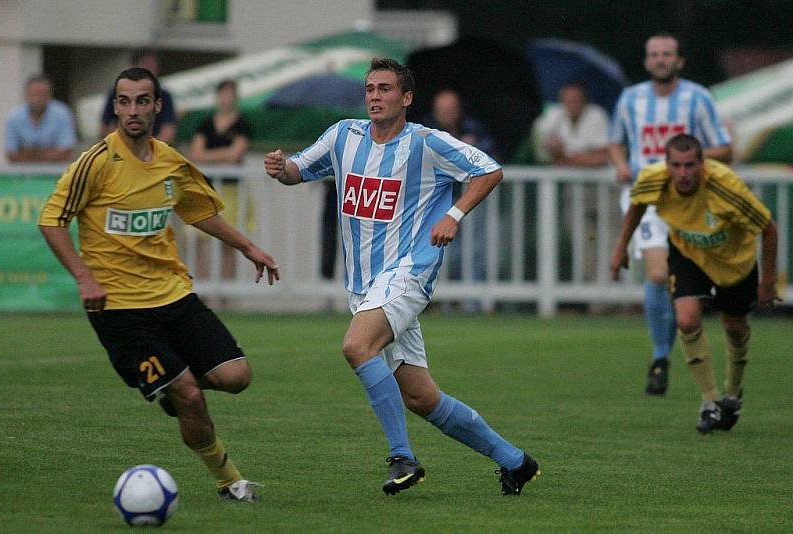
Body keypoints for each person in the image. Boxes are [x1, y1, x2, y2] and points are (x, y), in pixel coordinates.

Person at [264, 58, 539, 496]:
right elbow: (300, 170)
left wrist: (453, 213)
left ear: (406, 98)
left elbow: (489, 170)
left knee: (357, 346)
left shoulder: (427, 143)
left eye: (385, 89)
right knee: (421, 398)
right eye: (370, 88)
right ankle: (515, 462)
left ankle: (401, 457)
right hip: (364, 284)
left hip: (409, 270)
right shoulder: (343, 136)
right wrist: (282, 169)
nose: (374, 96)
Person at [38, 67, 279, 502]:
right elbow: (51, 220)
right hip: (120, 309)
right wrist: (83, 276)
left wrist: (249, 248)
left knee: (237, 376)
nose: (133, 110)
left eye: (142, 101)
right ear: (115, 107)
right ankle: (230, 481)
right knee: (189, 394)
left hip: (173, 294)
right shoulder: (95, 163)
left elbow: (198, 211)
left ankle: (169, 385)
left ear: (156, 106)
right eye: (124, 101)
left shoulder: (170, 160)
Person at [611, 134, 779, 433]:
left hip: (733, 260)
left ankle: (733, 394)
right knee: (687, 321)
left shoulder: (726, 187)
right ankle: (711, 402)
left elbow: (769, 228)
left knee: (734, 327)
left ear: (703, 164)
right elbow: (637, 206)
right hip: (688, 252)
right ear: (667, 164)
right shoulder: (653, 178)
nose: (683, 173)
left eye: (690, 165)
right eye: (676, 165)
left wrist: (767, 282)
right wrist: (620, 247)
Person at [608, 33, 733, 396]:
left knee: (685, 280)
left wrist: (689, 165)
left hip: (689, 201)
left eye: (667, 54)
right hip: (645, 197)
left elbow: (725, 147)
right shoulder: (631, 99)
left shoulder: (698, 97)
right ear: (646, 62)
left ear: (679, 60)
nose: (660, 60)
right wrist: (619, 163)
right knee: (659, 273)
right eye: (654, 55)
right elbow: (616, 141)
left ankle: (682, 340)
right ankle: (661, 356)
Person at [422, 88, 498, 310]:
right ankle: (442, 300)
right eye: (442, 110)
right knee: (442, 251)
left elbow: (492, 163)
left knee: (475, 250)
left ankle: (472, 301)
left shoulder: (474, 128)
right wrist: (460, 150)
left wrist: (469, 148)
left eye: (451, 109)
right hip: (436, 201)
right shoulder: (425, 131)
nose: (447, 113)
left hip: (469, 198)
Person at [189, 79, 252, 282]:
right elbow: (196, 153)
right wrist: (223, 155)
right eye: (223, 93)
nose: (226, 98)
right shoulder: (206, 123)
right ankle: (202, 287)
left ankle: (226, 293)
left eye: (230, 94)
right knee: (199, 240)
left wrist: (211, 156)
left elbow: (236, 154)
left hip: (231, 189)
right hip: (207, 188)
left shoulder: (242, 124)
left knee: (230, 242)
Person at [101, 49, 177, 143]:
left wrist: (153, 149)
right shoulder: (116, 92)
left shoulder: (164, 95)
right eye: (146, 65)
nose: (151, 69)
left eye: (154, 66)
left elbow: (169, 127)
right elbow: (106, 124)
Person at [534, 80, 609, 167]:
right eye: (568, 100)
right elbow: (544, 152)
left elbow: (602, 157)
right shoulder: (553, 113)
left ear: (585, 100)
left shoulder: (597, 114)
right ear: (562, 100)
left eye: (576, 100)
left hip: (597, 176)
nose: (572, 104)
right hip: (562, 175)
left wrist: (564, 158)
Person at [5, 75, 77, 163]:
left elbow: (67, 152)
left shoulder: (62, 113)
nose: (37, 99)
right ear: (26, 95)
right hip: (22, 173)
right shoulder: (14, 116)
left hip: (56, 172)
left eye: (42, 94)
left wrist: (28, 153)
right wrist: (50, 152)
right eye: (34, 94)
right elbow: (11, 155)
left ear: (50, 95)